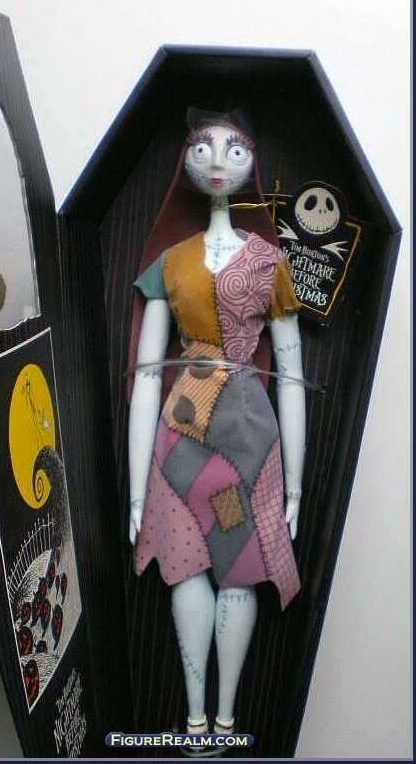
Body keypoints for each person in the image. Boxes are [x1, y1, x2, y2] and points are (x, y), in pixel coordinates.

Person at [128, 109, 306, 738]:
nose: (218, 161)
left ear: (252, 161)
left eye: (234, 149)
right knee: (188, 567)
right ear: (186, 161)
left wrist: (294, 485)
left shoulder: (268, 262)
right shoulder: (171, 263)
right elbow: (145, 375)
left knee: (236, 568)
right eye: (203, 148)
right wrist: (136, 491)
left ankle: (222, 717)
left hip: (244, 445)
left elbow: (291, 375)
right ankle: (198, 715)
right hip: (182, 444)